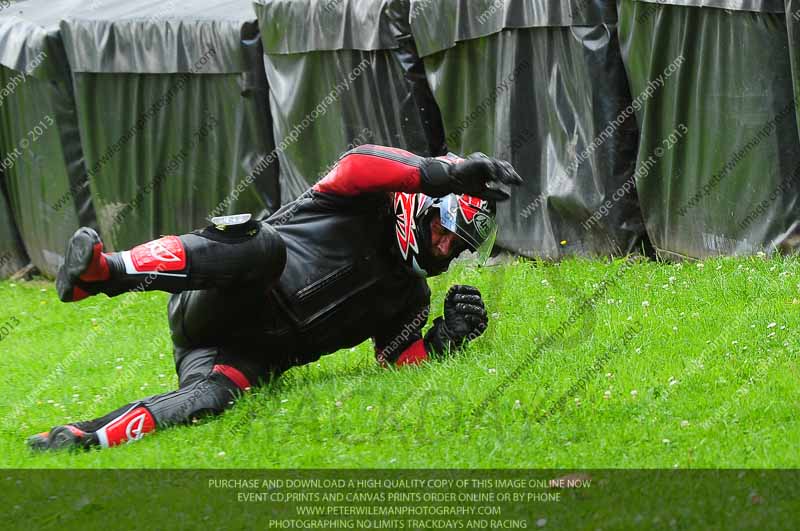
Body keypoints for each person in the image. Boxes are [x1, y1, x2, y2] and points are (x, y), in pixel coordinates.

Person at [28, 144, 522, 451]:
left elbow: (397, 360)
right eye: (443, 230)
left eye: (455, 246)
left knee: (214, 397)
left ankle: (84, 438)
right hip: (219, 292)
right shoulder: (360, 195)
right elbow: (356, 162)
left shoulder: (410, 297)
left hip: (233, 352)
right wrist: (438, 172)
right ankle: (103, 272)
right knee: (262, 247)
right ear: (421, 203)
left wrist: (443, 340)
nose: (443, 248)